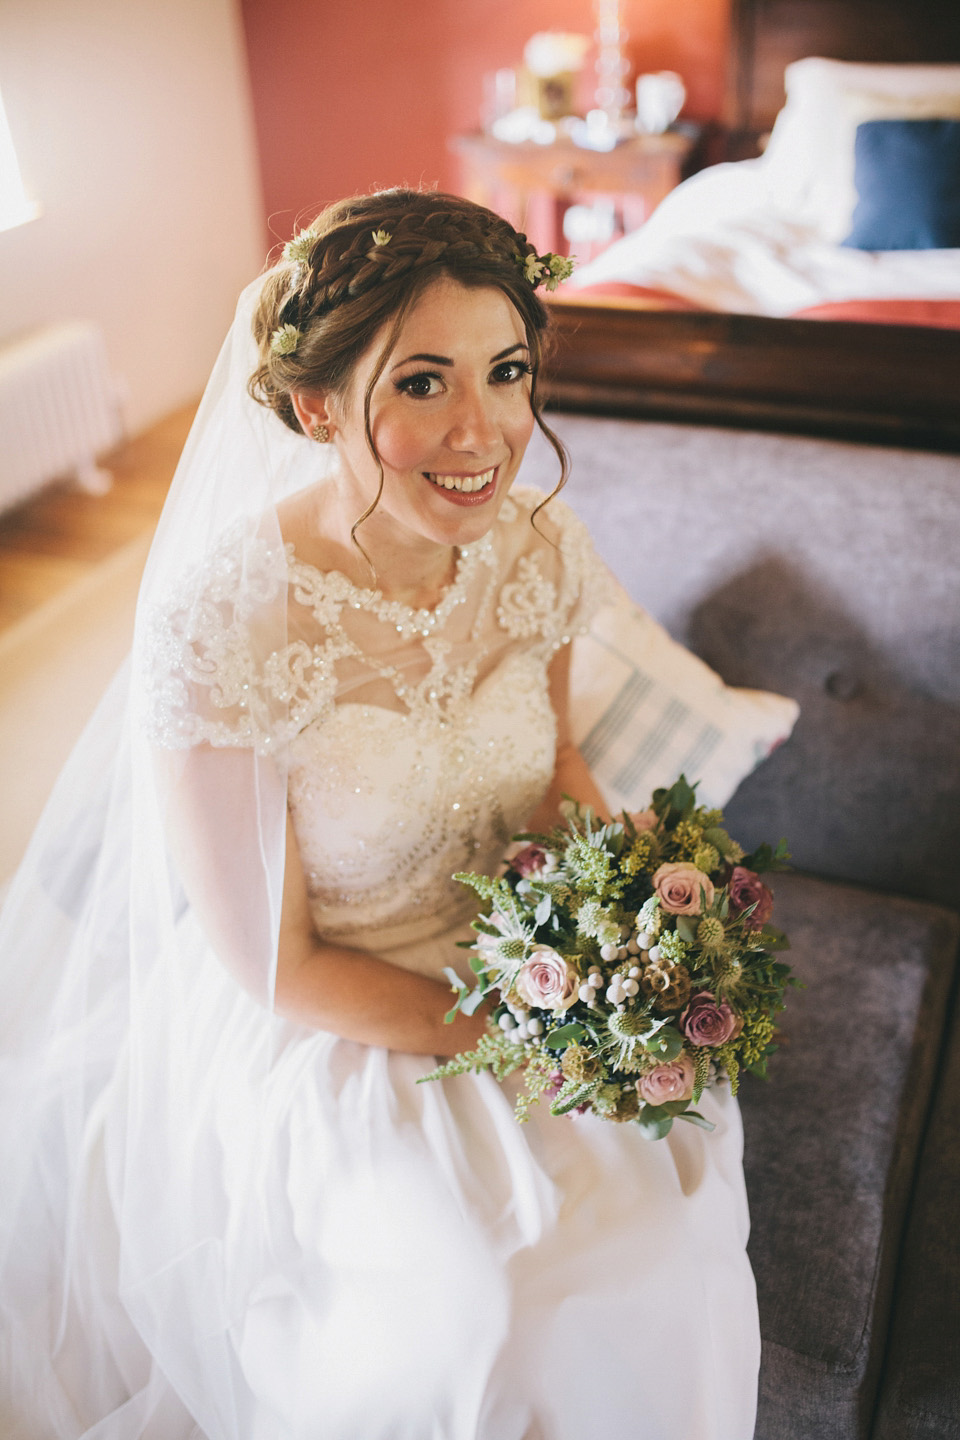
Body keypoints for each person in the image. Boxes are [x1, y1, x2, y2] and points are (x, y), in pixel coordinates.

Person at [0, 190, 759, 1439]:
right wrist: (530, 1039)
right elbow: (278, 968)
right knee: (492, 1310)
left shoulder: (537, 545)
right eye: (421, 384)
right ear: (314, 407)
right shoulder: (223, 627)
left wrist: (632, 902)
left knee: (662, 1250)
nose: (483, 431)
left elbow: (559, 758)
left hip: (539, 967)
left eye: (506, 372)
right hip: (342, 1020)